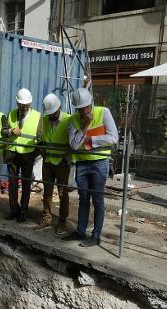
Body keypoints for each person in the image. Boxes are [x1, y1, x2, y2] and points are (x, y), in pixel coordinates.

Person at [65, 88, 118, 247]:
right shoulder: (73, 120)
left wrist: (89, 141)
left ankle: (96, 236)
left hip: (99, 163)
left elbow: (113, 138)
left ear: (91, 103)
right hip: (82, 163)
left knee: (98, 200)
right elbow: (74, 145)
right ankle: (80, 231)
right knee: (83, 199)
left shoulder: (104, 112)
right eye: (80, 109)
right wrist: (87, 124)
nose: (84, 111)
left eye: (86, 107)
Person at [1, 88, 40, 223]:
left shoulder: (37, 116)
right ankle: (14, 210)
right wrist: (11, 131)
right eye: (21, 105)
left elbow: (40, 138)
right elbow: (3, 132)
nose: (23, 107)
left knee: (26, 184)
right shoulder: (11, 114)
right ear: (17, 103)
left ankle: (23, 211)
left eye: (26, 105)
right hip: (13, 153)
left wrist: (35, 153)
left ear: (30, 104)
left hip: (28, 155)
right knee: (12, 183)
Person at [37, 93, 71, 234]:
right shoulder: (44, 119)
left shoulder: (68, 120)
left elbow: (72, 143)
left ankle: (62, 221)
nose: (51, 116)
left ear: (59, 108)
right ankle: (47, 217)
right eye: (49, 114)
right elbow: (38, 137)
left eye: (53, 113)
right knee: (47, 191)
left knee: (62, 193)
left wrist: (66, 159)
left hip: (62, 163)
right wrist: (41, 151)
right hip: (48, 161)